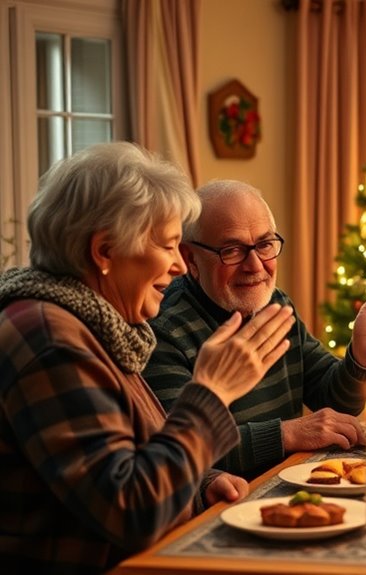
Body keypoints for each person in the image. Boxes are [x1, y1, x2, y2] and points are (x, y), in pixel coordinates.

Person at [0, 143, 295, 573]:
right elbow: (132, 512)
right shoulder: (49, 340)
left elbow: (125, 460)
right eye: (169, 245)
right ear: (104, 251)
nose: (180, 265)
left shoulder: (95, 324)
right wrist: (211, 392)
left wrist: (199, 485)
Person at [143, 180, 366, 478]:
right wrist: (286, 434)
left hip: (287, 485)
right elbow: (178, 454)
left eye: (265, 245)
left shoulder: (274, 303)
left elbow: (334, 402)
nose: (255, 265)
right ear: (190, 259)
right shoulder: (163, 330)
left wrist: (362, 357)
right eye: (232, 250)